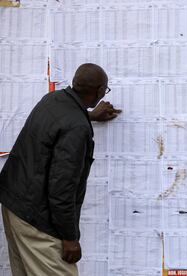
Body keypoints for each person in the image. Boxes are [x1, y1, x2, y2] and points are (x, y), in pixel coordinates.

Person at [0, 63, 121, 275]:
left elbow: (59, 122)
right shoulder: (76, 128)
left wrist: (89, 115)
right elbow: (62, 187)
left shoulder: (53, 100)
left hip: (13, 203)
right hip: (35, 217)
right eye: (105, 89)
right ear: (99, 91)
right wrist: (69, 238)